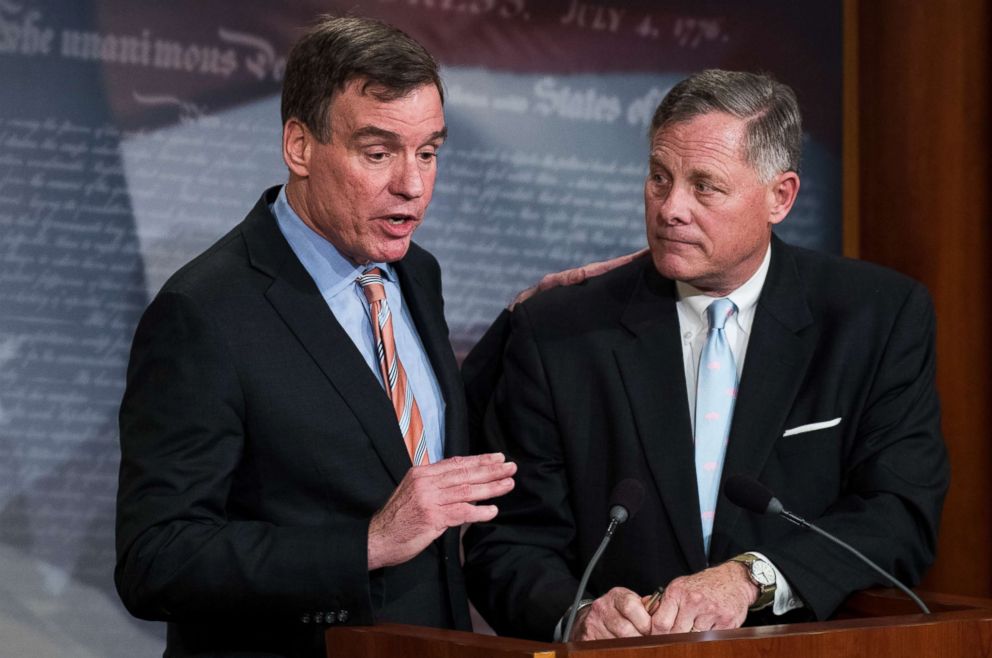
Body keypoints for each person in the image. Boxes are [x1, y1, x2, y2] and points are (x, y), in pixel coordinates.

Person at [462, 69, 949, 642]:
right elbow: (511, 545)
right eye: (659, 178)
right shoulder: (559, 332)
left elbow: (899, 514)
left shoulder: (876, 318)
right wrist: (578, 614)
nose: (671, 208)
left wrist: (752, 579)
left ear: (780, 196)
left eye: (705, 186)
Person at [114, 16, 519, 657]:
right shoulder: (204, 313)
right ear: (300, 147)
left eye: (429, 152)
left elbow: (391, 435)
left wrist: (545, 314)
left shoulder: (417, 272)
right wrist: (367, 543)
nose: (412, 185)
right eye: (378, 153)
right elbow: (155, 558)